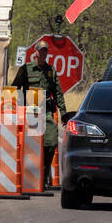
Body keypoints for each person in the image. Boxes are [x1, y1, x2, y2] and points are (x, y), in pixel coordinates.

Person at [12, 44, 67, 185]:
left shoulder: (51, 71)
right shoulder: (26, 69)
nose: (43, 53)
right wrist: (14, 109)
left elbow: (58, 93)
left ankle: (44, 172)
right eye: (41, 51)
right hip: (31, 111)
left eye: (45, 51)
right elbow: (14, 88)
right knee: (34, 145)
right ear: (35, 52)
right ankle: (34, 177)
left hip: (47, 112)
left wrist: (64, 113)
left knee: (51, 142)